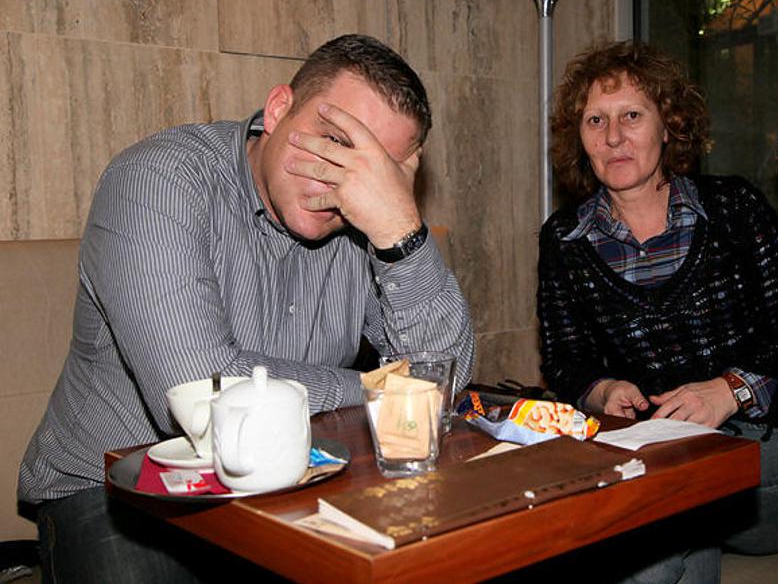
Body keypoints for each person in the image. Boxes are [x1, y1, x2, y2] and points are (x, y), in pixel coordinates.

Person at [19, 34, 475, 582]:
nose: (341, 180)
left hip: (300, 474)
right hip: (123, 489)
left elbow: (443, 381)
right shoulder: (157, 181)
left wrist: (400, 231)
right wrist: (383, 391)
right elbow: (201, 394)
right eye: (333, 143)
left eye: (374, 168)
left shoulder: (368, 217)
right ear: (278, 109)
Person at [537, 40, 778, 582]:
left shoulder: (733, 209)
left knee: (655, 507)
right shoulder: (564, 239)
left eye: (632, 115)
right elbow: (564, 358)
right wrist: (602, 389)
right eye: (595, 120)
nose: (613, 136)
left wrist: (729, 390)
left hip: (768, 467)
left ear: (669, 126)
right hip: (651, 461)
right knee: (662, 523)